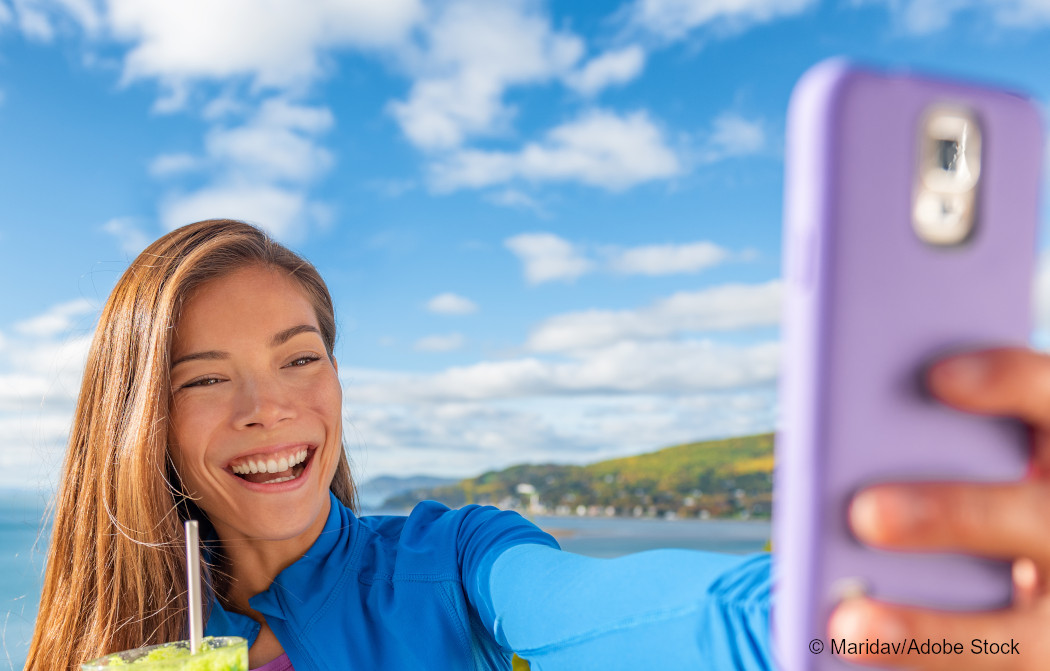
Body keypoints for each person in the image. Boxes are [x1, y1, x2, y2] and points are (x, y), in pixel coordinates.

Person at [20, 219, 1050, 671]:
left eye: (300, 358)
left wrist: (898, 621)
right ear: (141, 421)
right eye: (206, 377)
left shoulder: (456, 560)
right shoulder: (122, 642)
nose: (268, 406)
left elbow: (668, 616)